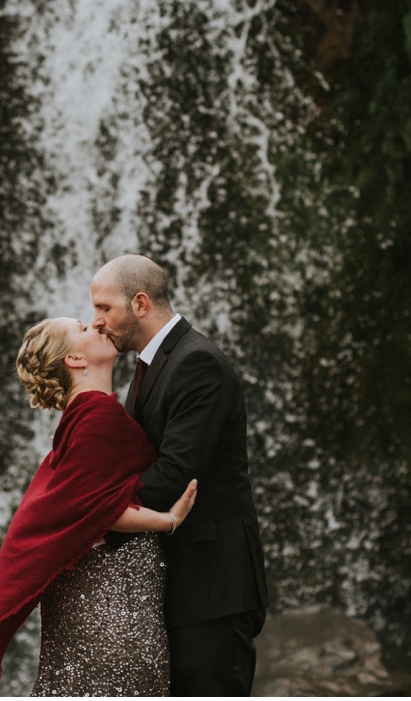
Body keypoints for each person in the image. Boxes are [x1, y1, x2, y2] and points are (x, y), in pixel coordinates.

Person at [0, 316, 199, 697]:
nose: (98, 324)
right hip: (109, 608)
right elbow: (90, 506)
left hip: (90, 606)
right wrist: (167, 520)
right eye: (83, 327)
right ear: (75, 359)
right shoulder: (97, 415)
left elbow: (77, 500)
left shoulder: (81, 417)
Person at [91, 255, 269, 697]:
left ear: (140, 303)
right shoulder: (154, 363)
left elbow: (175, 475)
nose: (96, 322)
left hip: (214, 585)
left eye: (104, 308)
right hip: (186, 582)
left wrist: (92, 520)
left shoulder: (197, 363)